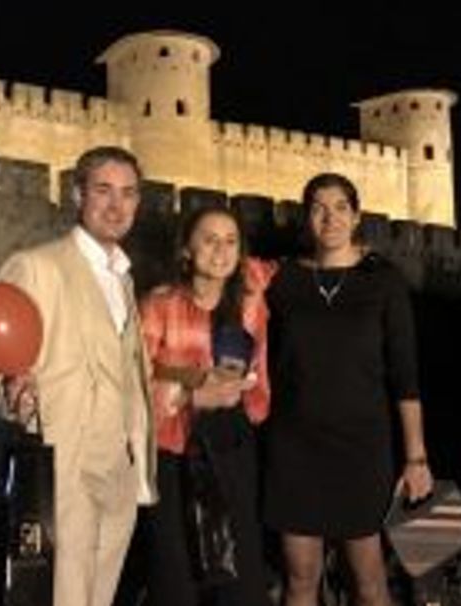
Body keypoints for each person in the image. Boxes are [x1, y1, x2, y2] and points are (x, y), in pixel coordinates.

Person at [0, 145, 157, 606]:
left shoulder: (123, 278)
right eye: (103, 190)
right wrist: (7, 387)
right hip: (57, 464)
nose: (116, 205)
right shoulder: (37, 265)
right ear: (77, 195)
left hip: (117, 471)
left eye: (128, 193)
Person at [263, 173, 434, 606]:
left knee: (369, 583)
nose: (330, 218)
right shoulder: (282, 280)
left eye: (341, 207)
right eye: (318, 208)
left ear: (357, 216)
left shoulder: (384, 281)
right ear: (306, 219)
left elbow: (405, 375)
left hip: (362, 448)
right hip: (295, 447)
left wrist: (416, 458)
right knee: (300, 579)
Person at [139, 206, 272, 606]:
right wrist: (192, 395)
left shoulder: (251, 300)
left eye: (230, 241)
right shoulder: (158, 304)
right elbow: (133, 386)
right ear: (186, 249)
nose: (221, 250)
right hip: (174, 449)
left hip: (232, 445)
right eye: (209, 240)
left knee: (241, 575)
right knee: (176, 576)